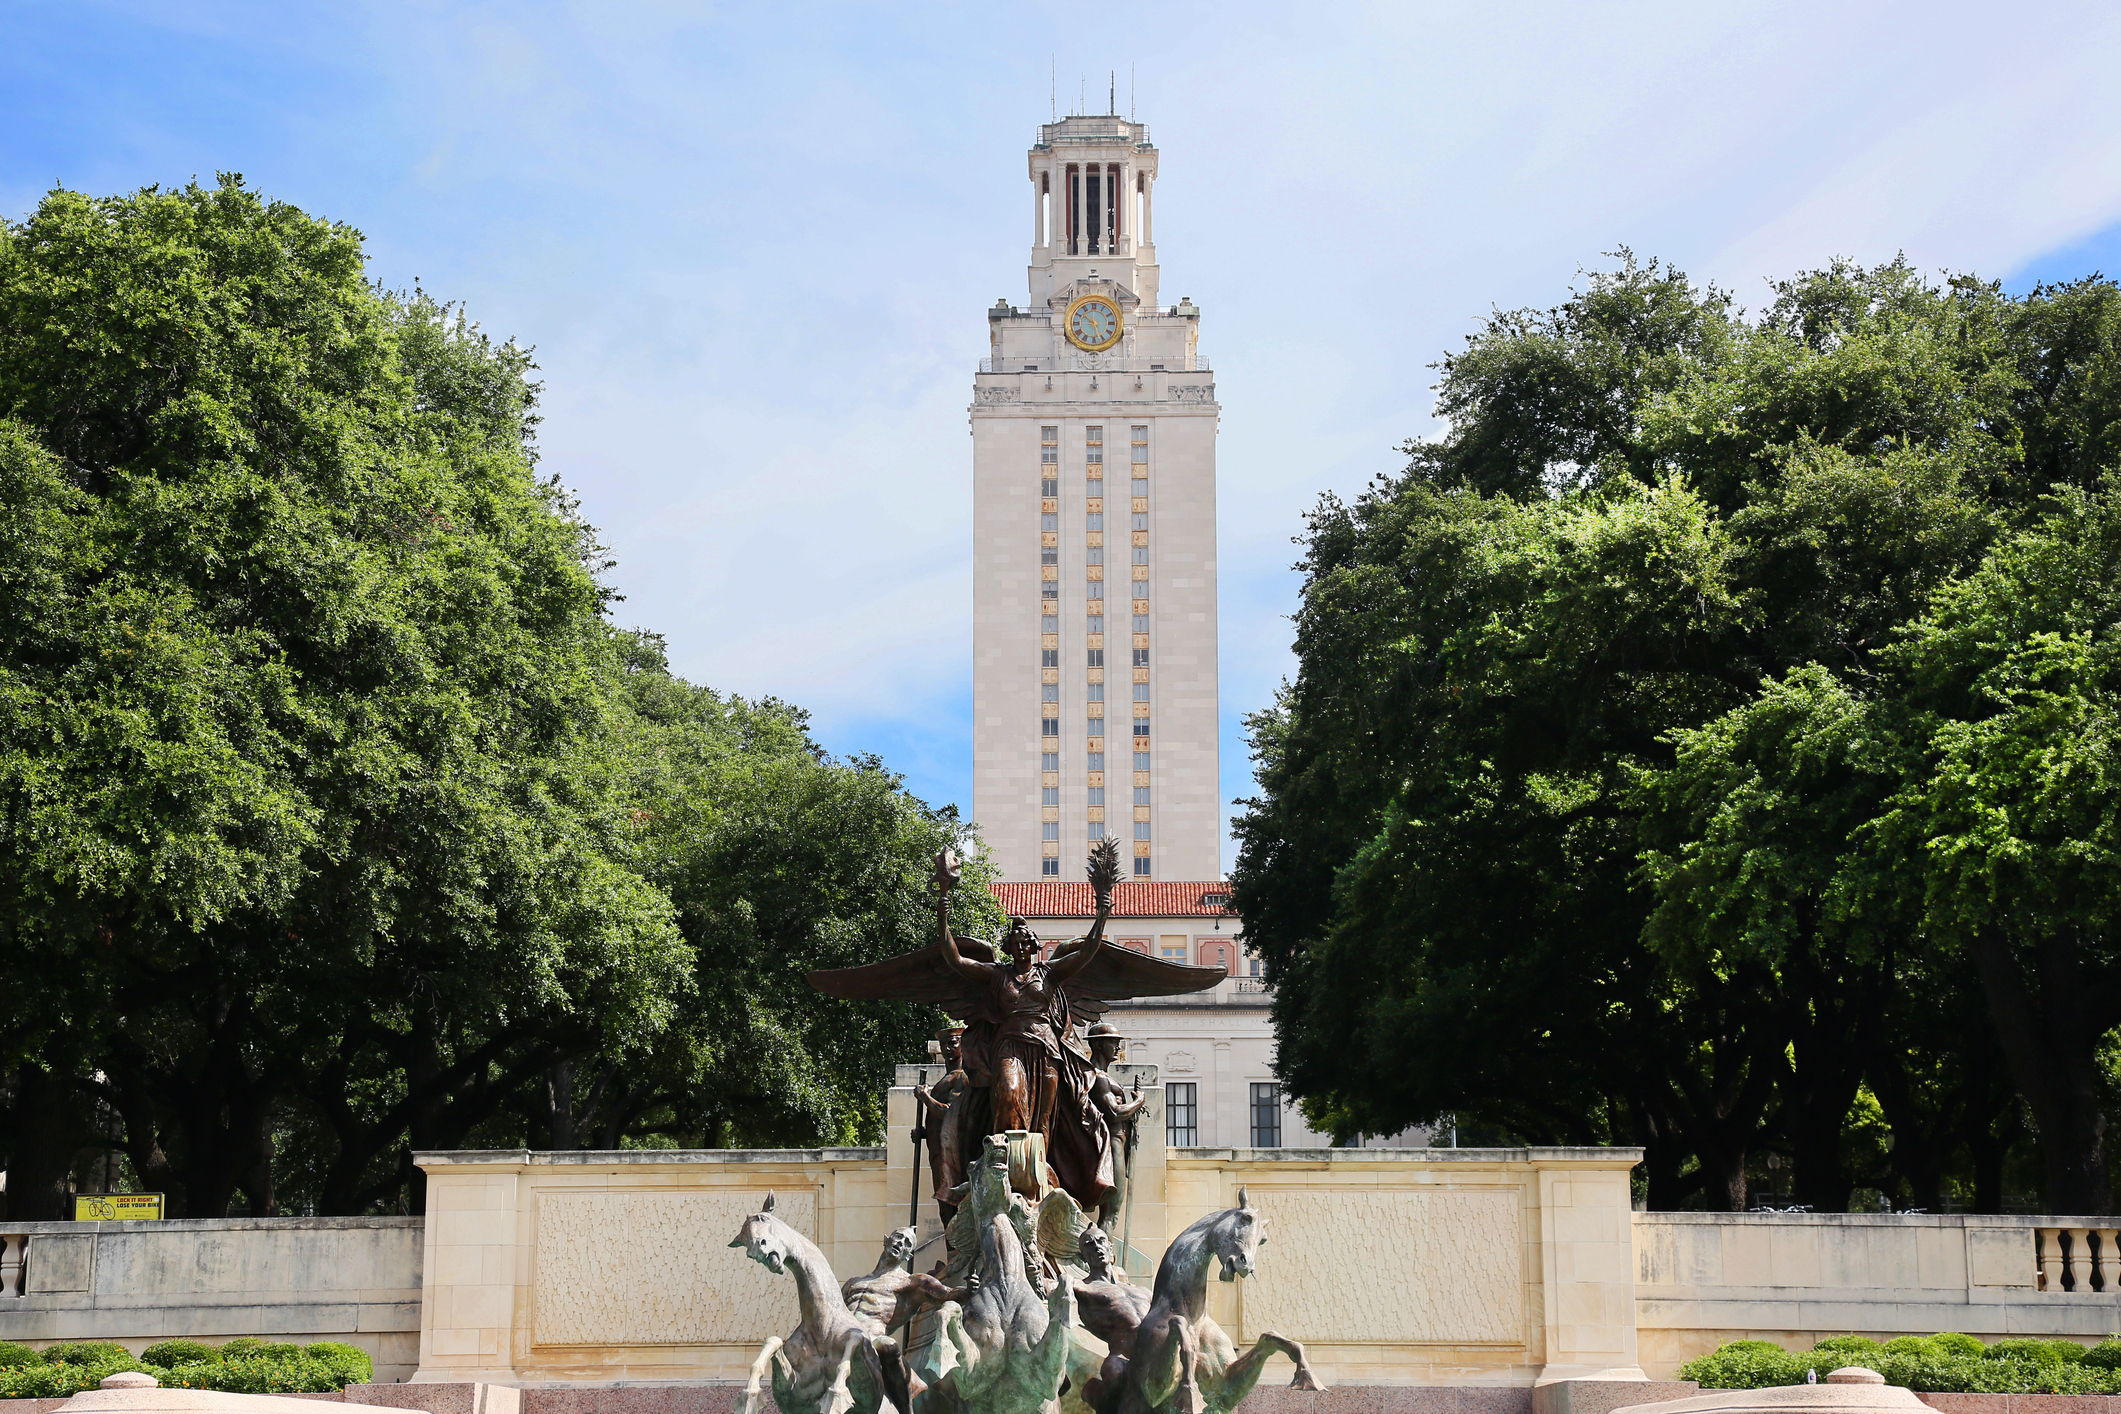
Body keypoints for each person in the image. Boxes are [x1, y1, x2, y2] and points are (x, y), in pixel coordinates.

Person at [1083, 1022, 1147, 1232]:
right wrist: (1139, 1101)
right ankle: (1103, 1253)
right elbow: (1114, 1112)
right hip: (1112, 1144)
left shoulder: (1104, 1076)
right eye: (1113, 1042)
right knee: (1111, 1214)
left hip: (1119, 1142)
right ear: (1098, 1045)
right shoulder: (1099, 1078)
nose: (1118, 1047)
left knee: (1111, 1214)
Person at [914, 1025, 969, 1223]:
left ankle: (956, 1243)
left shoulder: (962, 1076)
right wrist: (924, 1132)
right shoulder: (947, 1078)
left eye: (952, 1043)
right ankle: (951, 1243)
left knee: (951, 1205)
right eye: (943, 1044)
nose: (947, 1048)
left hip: (951, 1152)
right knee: (944, 1207)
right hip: (938, 1148)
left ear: (963, 1045)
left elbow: (950, 1113)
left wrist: (925, 1098)